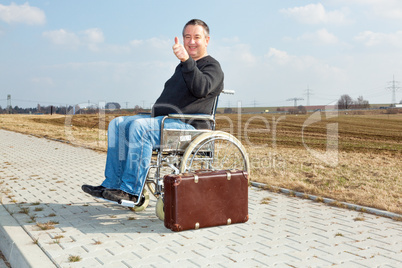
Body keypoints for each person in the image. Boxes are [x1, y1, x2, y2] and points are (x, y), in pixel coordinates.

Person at [82, 19, 224, 203]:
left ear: (207, 40)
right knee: (117, 123)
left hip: (189, 128)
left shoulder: (212, 67)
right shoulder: (182, 67)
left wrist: (187, 61)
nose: (191, 41)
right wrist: (185, 64)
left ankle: (132, 192)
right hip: (166, 121)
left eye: (197, 37)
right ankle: (112, 185)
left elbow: (201, 88)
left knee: (141, 128)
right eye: (187, 37)